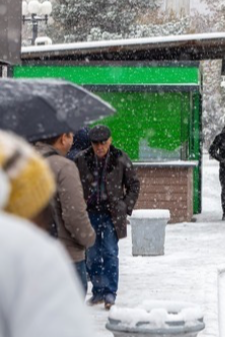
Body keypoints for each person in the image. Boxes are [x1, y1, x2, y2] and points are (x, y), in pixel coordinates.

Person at [0, 131, 92, 337]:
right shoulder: (32, 256)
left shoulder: (31, 156)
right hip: (69, 251)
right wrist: (88, 238)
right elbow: (75, 215)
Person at [74, 125, 140, 309]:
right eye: (96, 144)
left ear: (109, 141)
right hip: (90, 213)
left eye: (103, 143)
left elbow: (134, 184)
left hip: (112, 214)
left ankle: (110, 292)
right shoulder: (82, 159)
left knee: (110, 252)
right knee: (92, 255)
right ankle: (98, 291)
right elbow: (74, 185)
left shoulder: (120, 158)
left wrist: (125, 206)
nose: (100, 147)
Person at [35, 132, 96, 295]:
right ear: (63, 138)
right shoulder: (64, 167)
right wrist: (88, 237)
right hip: (66, 254)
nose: (72, 141)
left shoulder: (25, 163)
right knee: (68, 312)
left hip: (33, 254)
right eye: (70, 136)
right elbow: (74, 215)